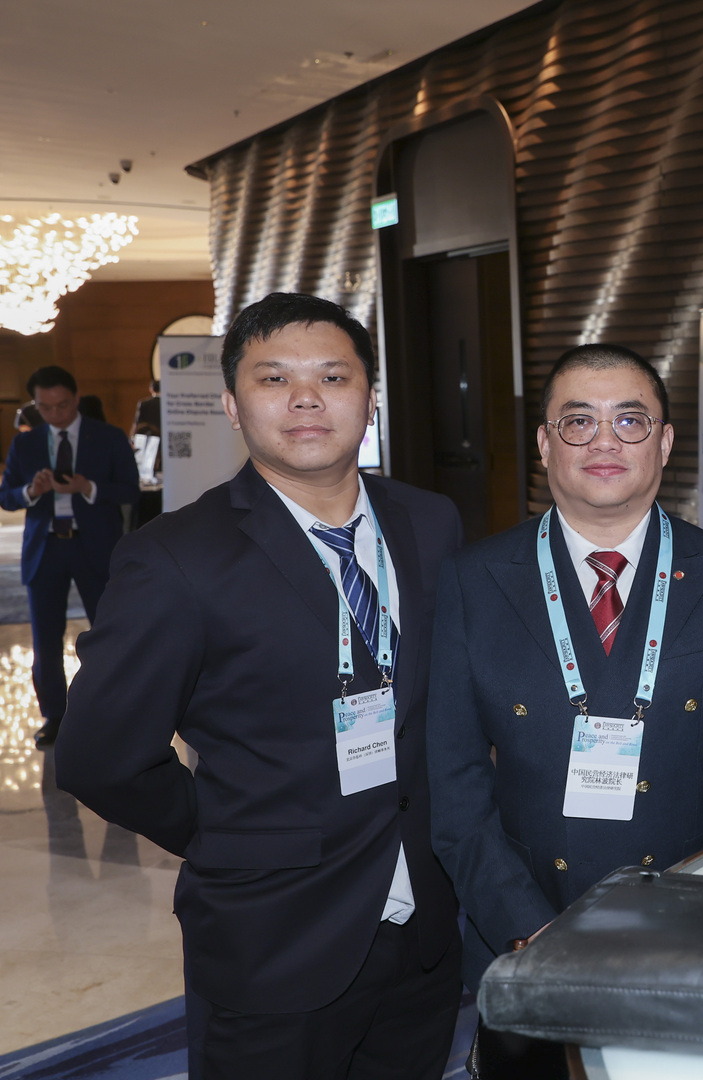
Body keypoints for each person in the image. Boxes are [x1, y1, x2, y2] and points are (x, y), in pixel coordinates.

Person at [55, 293, 463, 1080]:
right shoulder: (177, 557)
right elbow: (99, 756)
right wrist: (229, 835)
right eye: (274, 378)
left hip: (424, 926)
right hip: (274, 937)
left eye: (333, 377)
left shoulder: (431, 521)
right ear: (234, 406)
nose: (306, 398)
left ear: (370, 397)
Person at [428, 344, 703, 1075]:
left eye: (630, 421)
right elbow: (454, 783)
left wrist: (698, 903)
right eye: (578, 421)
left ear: (665, 443)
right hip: (527, 929)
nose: (605, 441)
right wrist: (527, 927)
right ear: (544, 444)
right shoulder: (475, 580)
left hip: (688, 928)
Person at [0, 366, 138, 748]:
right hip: (45, 548)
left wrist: (87, 487)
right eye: (45, 408)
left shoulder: (108, 437)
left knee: (108, 633)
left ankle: (116, 709)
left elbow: (130, 490)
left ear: (76, 398)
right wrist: (31, 491)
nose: (55, 414)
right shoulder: (26, 443)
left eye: (61, 405)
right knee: (45, 638)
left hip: (94, 545)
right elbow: (6, 496)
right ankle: (55, 717)